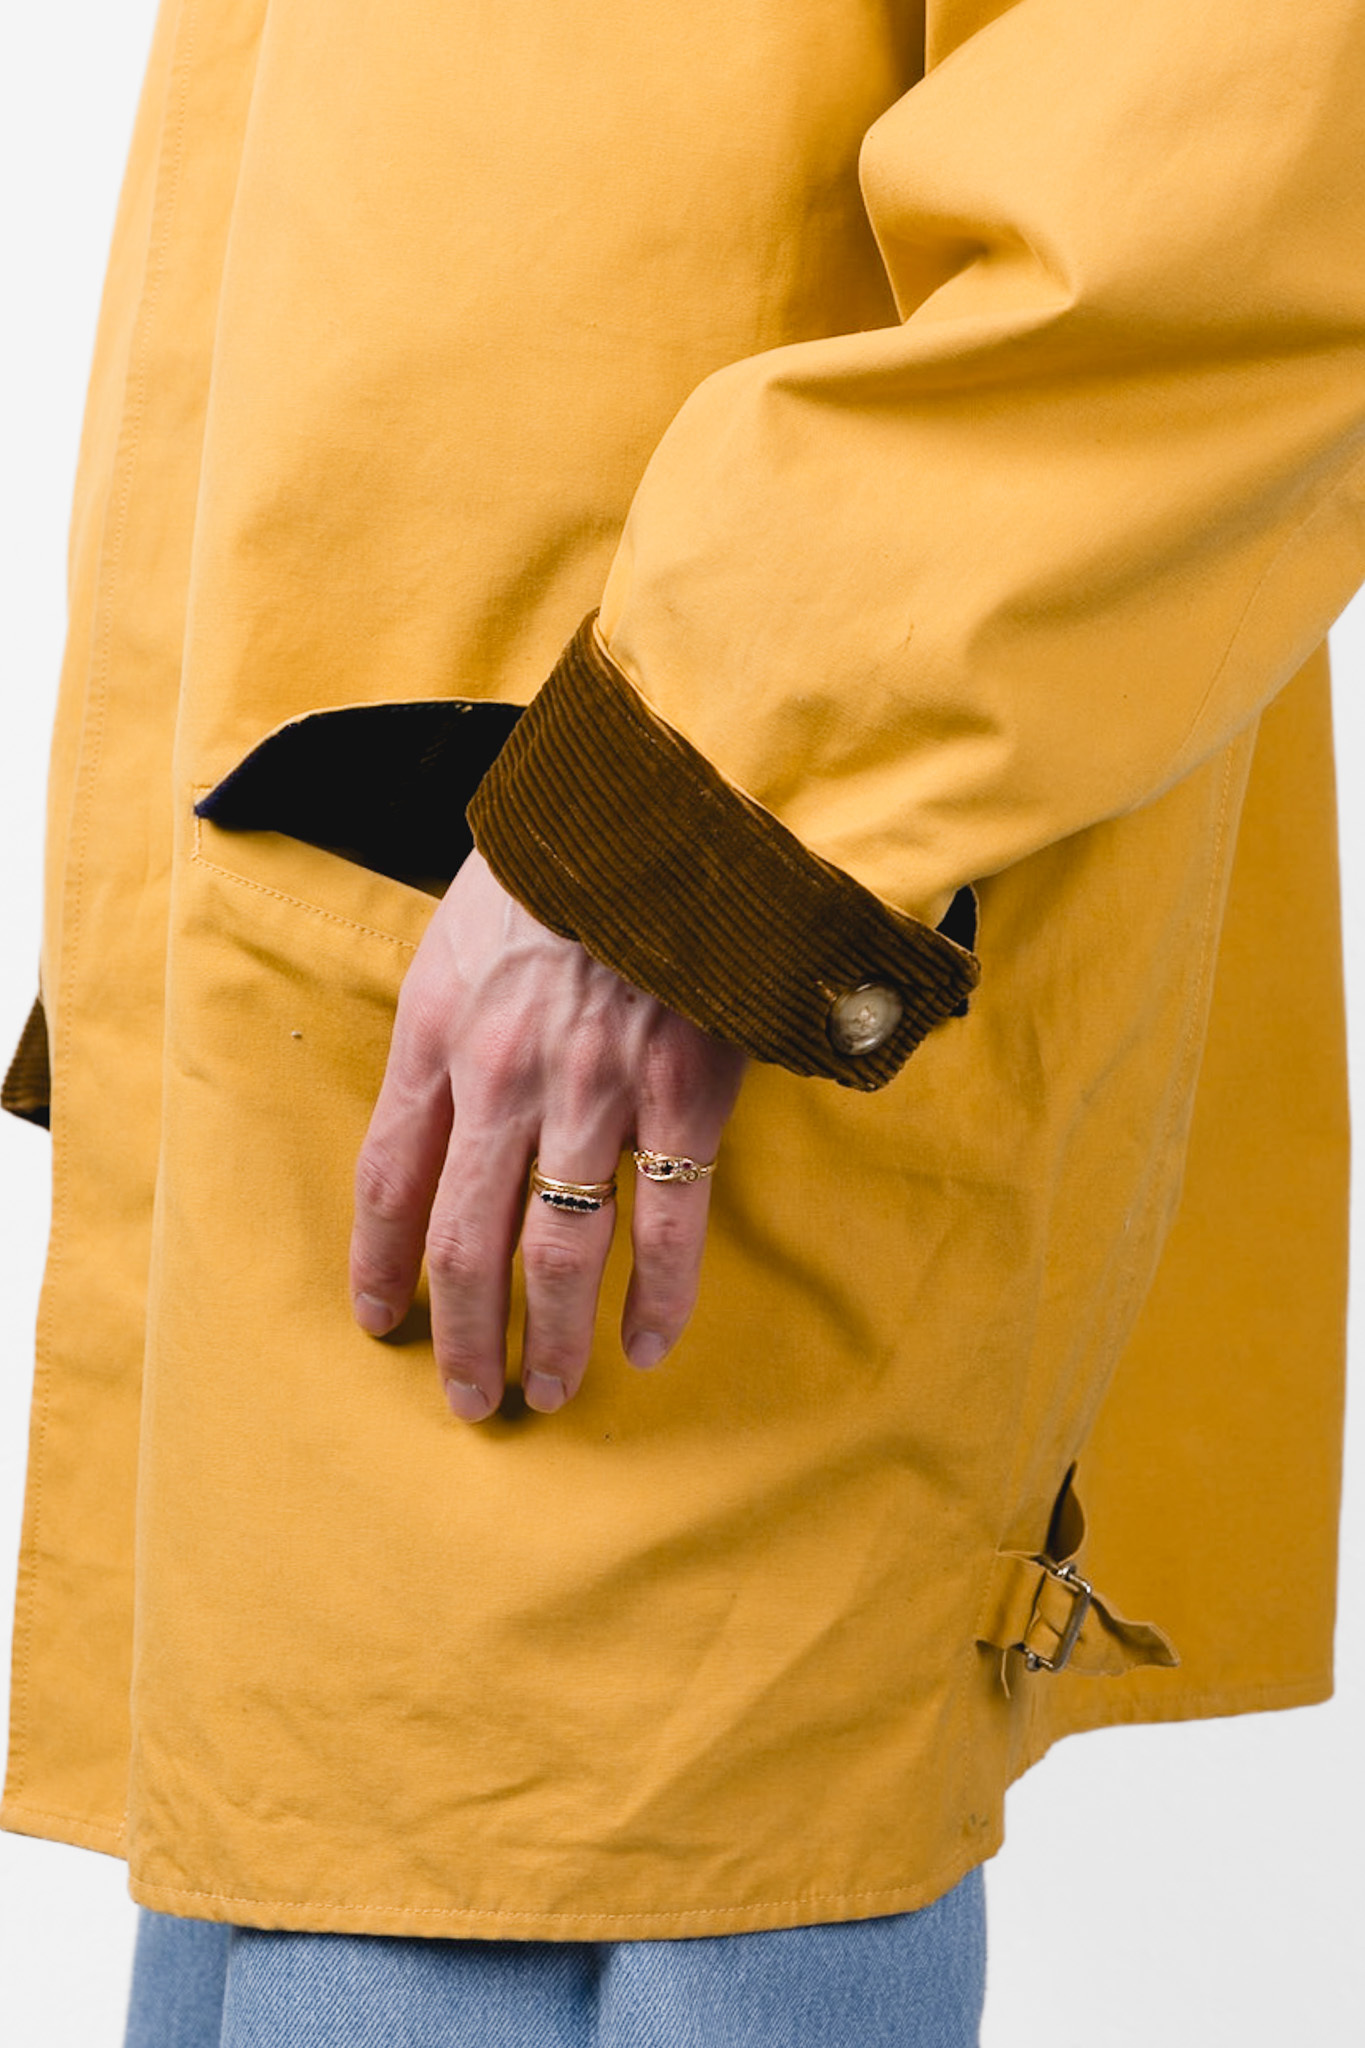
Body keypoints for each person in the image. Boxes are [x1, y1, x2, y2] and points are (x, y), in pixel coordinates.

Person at [3, 1, 1363, 2042]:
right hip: (398, 959)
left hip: (687, 980)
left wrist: (674, 837)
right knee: (316, 1868)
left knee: (548, 1878)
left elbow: (1230, 182)